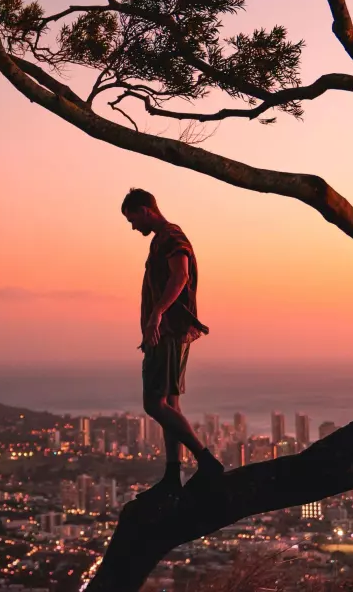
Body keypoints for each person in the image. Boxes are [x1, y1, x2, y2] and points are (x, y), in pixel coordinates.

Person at [121, 187, 225, 496]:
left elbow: (179, 277)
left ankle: (205, 460)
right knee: (170, 403)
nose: (133, 226)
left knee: (154, 404)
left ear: (146, 210)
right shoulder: (161, 239)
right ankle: (172, 475)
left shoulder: (170, 236)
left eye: (133, 219)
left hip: (167, 332)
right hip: (169, 332)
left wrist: (156, 315)